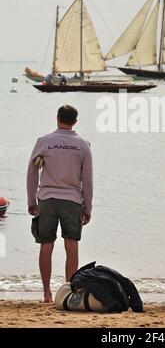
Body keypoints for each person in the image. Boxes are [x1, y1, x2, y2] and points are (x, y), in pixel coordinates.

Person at [27, 105, 93, 303]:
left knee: (46, 245)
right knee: (71, 245)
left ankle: (47, 292)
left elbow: (32, 172)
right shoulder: (83, 145)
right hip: (72, 200)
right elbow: (87, 179)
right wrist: (87, 206)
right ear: (75, 121)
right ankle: (69, 292)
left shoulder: (44, 141)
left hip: (47, 198)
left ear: (57, 118)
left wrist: (31, 199)